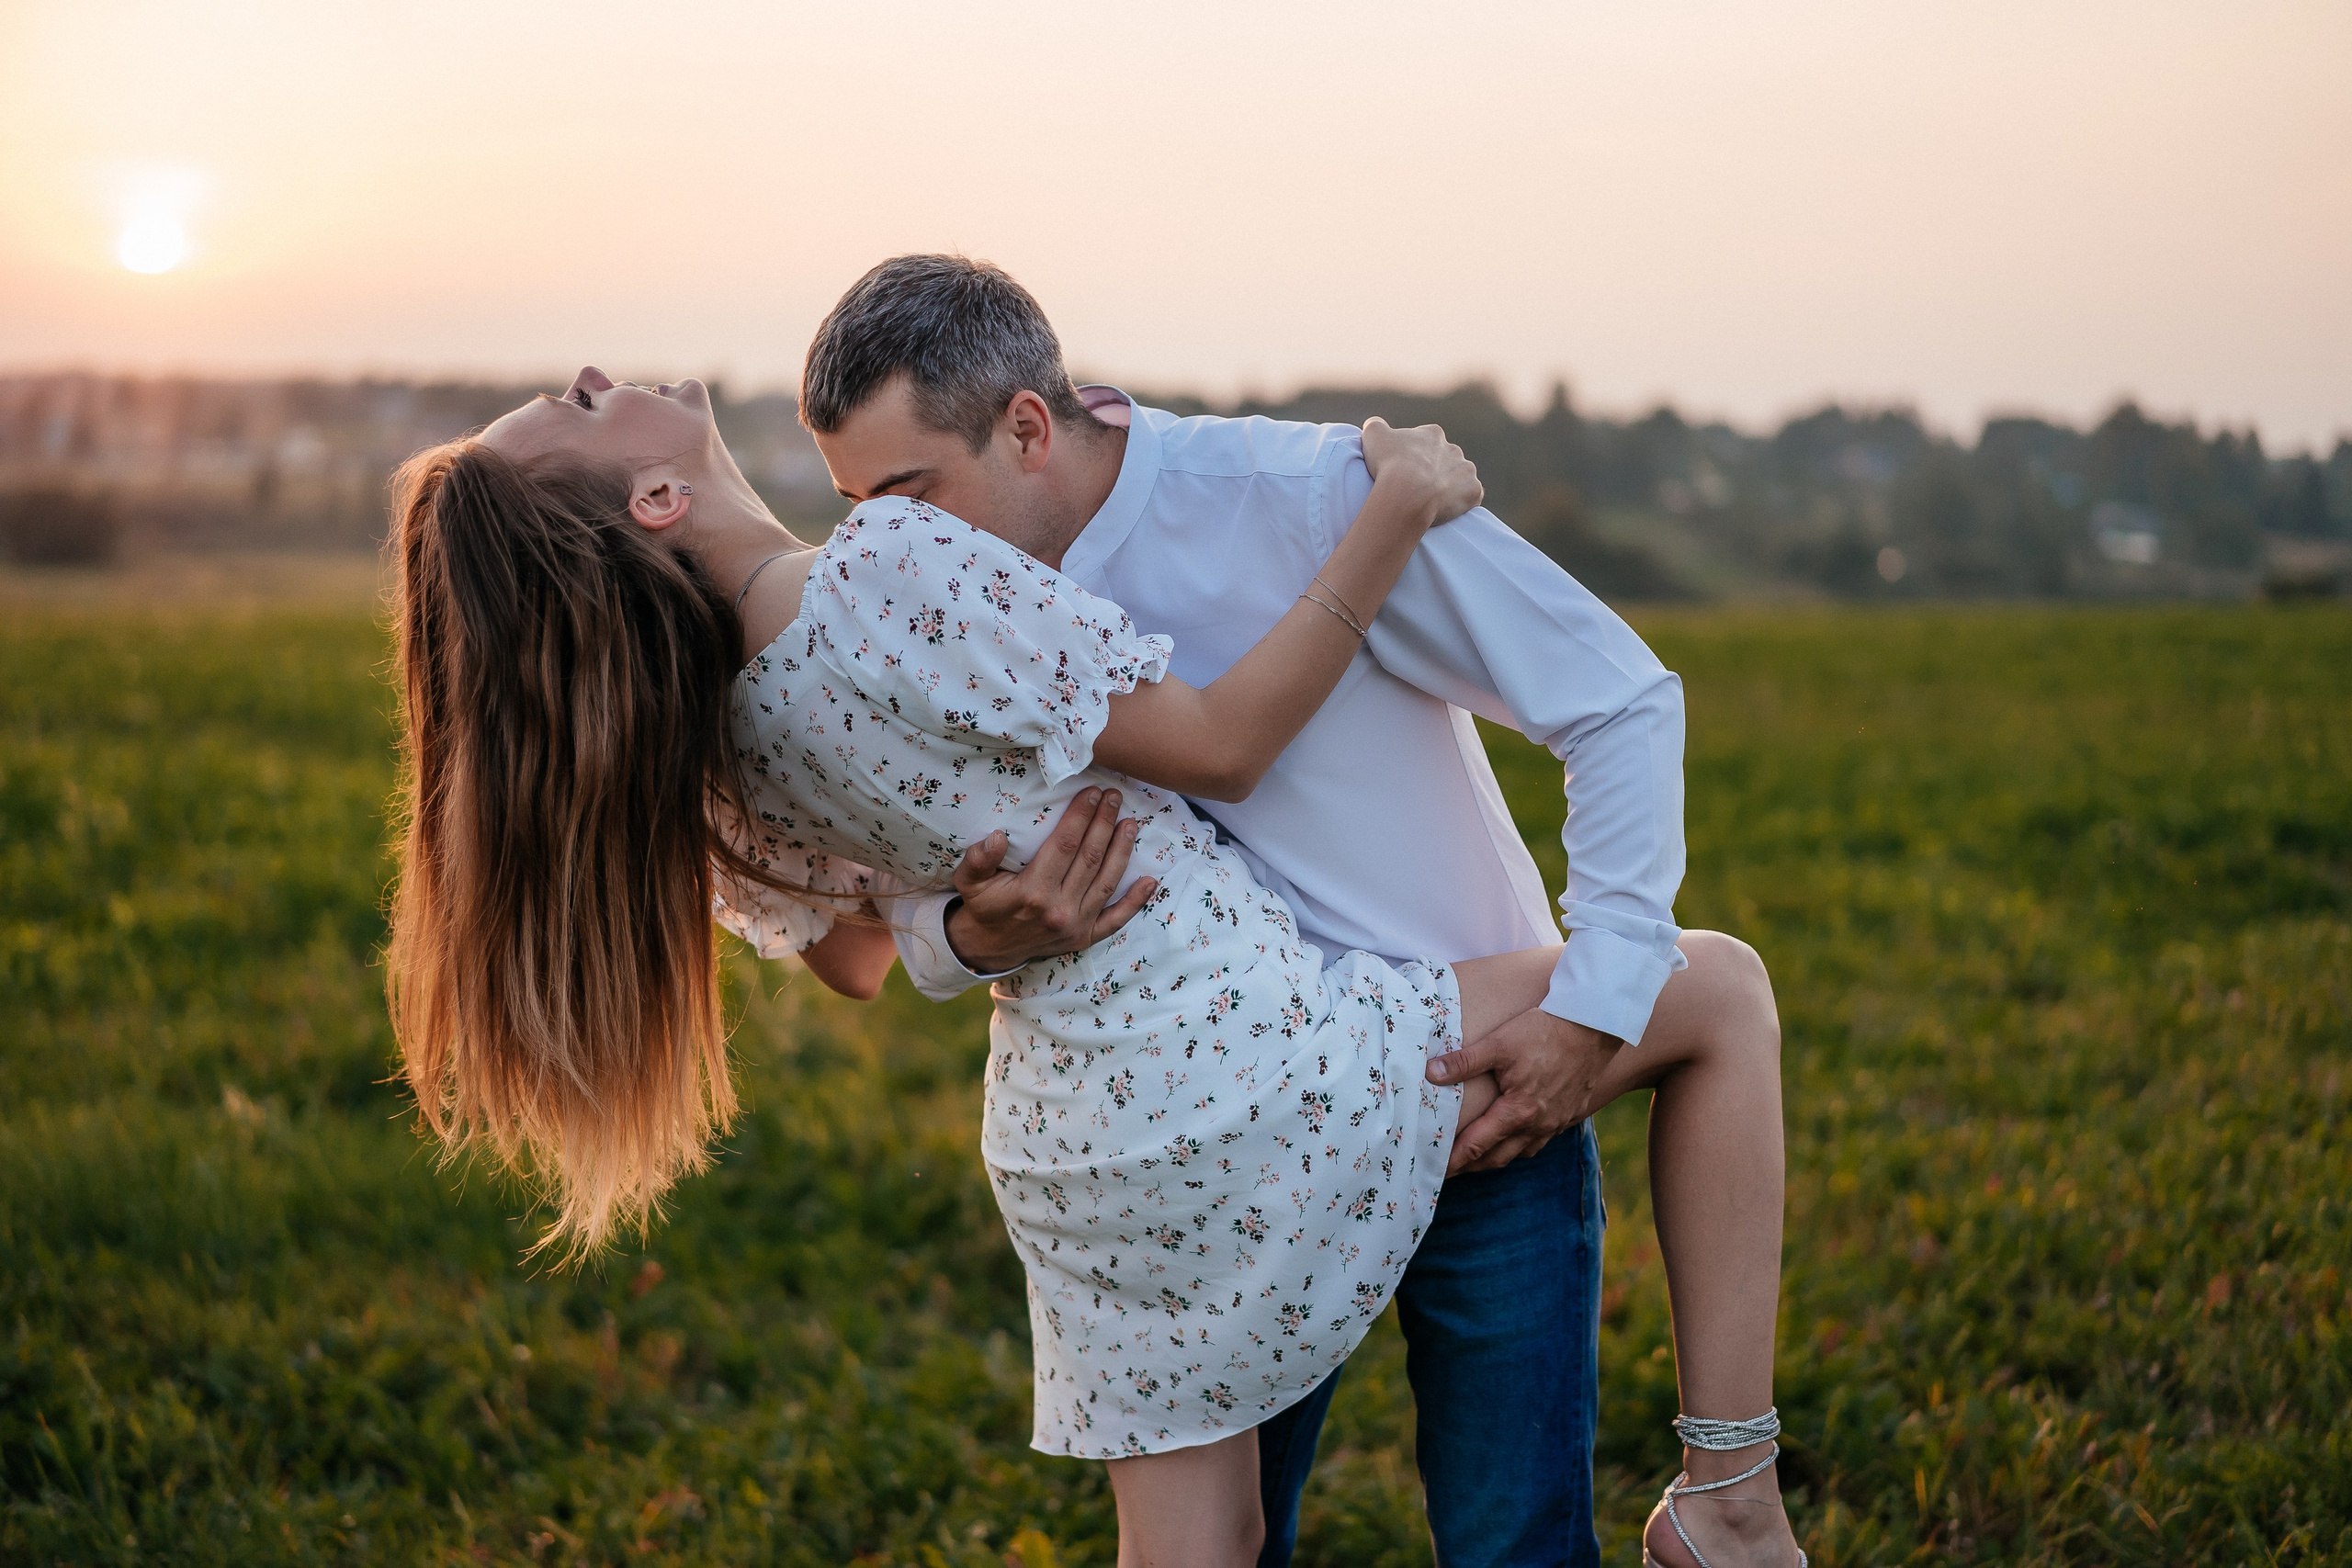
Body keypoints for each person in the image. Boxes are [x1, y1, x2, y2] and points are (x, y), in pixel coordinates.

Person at [381, 370, 1799, 1568]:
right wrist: (1396, 513)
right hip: (1237, 1050)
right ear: (654, 505)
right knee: (1721, 990)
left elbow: (860, 963)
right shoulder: (890, 568)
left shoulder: (705, 751)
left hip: (1082, 1150)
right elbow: (1224, 745)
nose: (586, 371)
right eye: (570, 408)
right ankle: (1730, 1498)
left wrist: (966, 937)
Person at [790, 256, 1801, 1568]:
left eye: (906, 497)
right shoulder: (925, 621)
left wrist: (1588, 1016)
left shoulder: (1310, 497)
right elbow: (890, 908)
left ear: (1028, 428)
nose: (882, 547)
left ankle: (1729, 1495)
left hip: (1482, 1083)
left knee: (1515, 1549)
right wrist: (974, 937)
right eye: (853, 511)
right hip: (1224, 1153)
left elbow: (1616, 699)